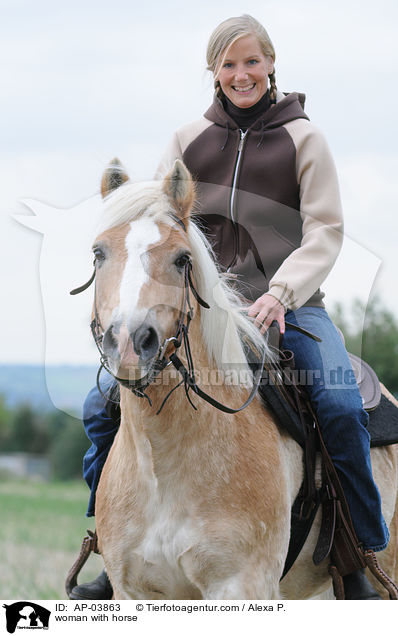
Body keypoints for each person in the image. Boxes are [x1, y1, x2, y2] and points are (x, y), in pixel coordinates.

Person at [70, 14, 389, 600]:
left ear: (270, 64)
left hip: (290, 306)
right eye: (228, 63)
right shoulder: (188, 138)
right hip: (204, 306)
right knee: (99, 406)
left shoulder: (304, 138)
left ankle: (358, 557)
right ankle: (110, 554)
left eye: (251, 61)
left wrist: (282, 292)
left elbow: (324, 230)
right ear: (214, 71)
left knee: (340, 404)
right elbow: (164, 224)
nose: (241, 74)